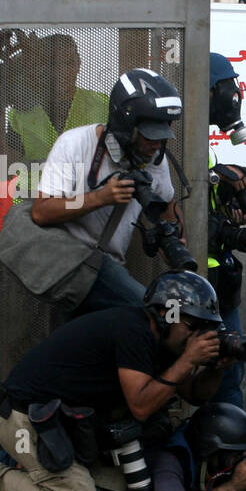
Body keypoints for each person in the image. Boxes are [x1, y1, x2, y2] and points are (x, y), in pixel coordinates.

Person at [0, 271, 226, 491]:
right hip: (24, 418)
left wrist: (218, 367)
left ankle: (39, 475)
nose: (197, 336)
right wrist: (187, 361)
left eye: (205, 328)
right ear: (164, 313)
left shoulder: (166, 342)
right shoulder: (132, 330)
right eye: (193, 326)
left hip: (61, 423)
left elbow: (194, 395)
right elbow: (141, 407)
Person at [30, 67, 183, 314]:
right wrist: (99, 198)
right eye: (149, 136)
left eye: (162, 136)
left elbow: (167, 206)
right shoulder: (75, 144)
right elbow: (42, 211)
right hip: (65, 266)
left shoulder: (155, 158)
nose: (156, 145)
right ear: (126, 124)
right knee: (149, 314)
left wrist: (174, 239)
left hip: (108, 269)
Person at [205, 52, 246, 410]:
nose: (235, 95)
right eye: (229, 87)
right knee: (211, 372)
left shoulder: (202, 143)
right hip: (196, 277)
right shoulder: (175, 138)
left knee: (231, 370)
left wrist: (228, 196)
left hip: (222, 281)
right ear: (211, 90)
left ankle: (232, 446)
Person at [0, 30, 109, 200]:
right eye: (53, 64)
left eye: (69, 63)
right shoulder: (21, 112)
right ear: (41, 67)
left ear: (79, 64)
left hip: (85, 204)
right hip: (32, 207)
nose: (62, 71)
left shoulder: (102, 105)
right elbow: (4, 171)